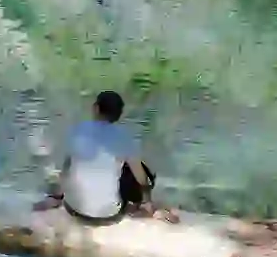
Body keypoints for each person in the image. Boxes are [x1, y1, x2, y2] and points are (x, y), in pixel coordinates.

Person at [33, 90, 178, 223]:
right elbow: (142, 179)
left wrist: (59, 196)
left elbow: (66, 170)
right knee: (140, 170)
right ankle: (145, 208)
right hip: (108, 215)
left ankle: (56, 199)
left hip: (74, 209)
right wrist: (147, 199)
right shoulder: (123, 137)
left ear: (96, 108)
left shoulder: (78, 130)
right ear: (119, 114)